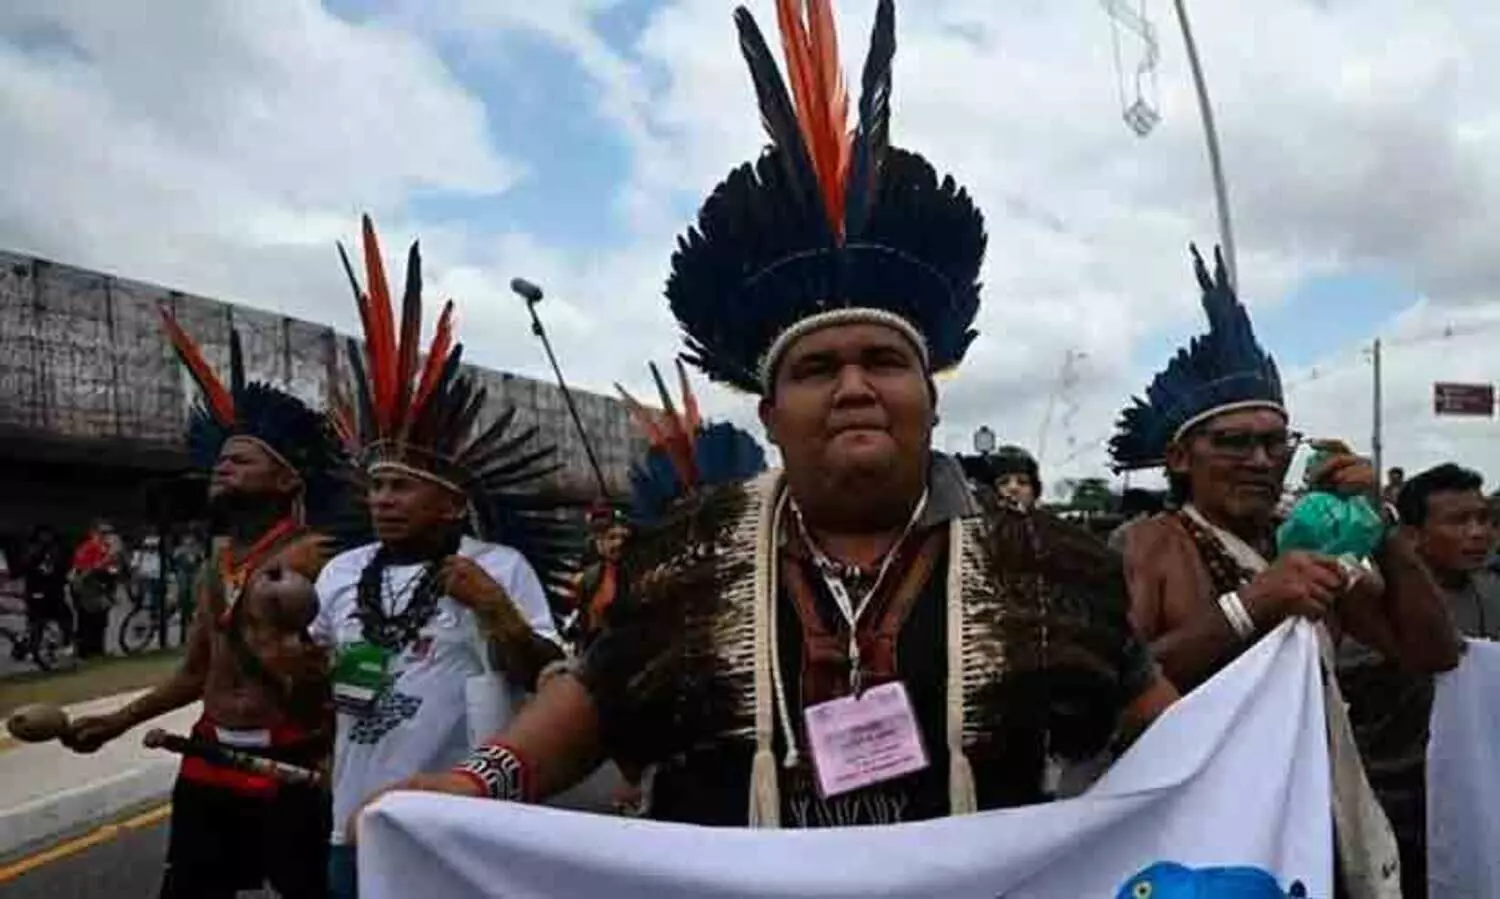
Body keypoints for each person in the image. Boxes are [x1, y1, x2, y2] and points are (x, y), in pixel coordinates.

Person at [352, 0, 1176, 833]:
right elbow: (596, 701)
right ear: (773, 415)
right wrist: (475, 783)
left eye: (885, 361)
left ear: (932, 399)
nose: (855, 384)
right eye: (819, 368)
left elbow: (1155, 719)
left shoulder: (1044, 557)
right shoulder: (683, 551)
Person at [1111, 247, 1461, 898]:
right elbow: (1108, 703)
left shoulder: (1309, 545)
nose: (1260, 459)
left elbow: (1432, 650)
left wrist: (1379, 526)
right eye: (1235, 441)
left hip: (1311, 831)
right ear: (1180, 455)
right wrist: (1251, 605)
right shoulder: (1147, 546)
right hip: (1193, 855)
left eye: (1276, 441)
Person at [314, 217, 570, 899]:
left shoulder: (501, 566)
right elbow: (329, 689)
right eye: (375, 486)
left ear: (452, 504)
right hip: (355, 824)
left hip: (467, 822)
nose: (382, 499)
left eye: (401, 485)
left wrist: (493, 608)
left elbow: (553, 678)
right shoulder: (340, 574)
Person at [62, 312, 352, 899]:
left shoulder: (324, 555)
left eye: (244, 458)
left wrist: (340, 753)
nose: (225, 465)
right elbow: (196, 672)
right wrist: (117, 721)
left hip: (294, 764)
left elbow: (363, 664)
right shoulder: (213, 566)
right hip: (207, 757)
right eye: (222, 458)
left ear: (289, 481)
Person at [1339, 463, 1499, 899]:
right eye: (1458, 521)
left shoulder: (1492, 591)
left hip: (1482, 798)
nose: (1478, 533)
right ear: (1411, 536)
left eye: (1484, 519)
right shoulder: (1373, 599)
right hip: (1400, 803)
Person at [68, 520, 125, 658]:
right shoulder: (88, 547)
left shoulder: (105, 547)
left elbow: (112, 568)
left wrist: (113, 565)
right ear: (93, 533)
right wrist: (108, 560)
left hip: (100, 587)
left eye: (109, 533)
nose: (107, 536)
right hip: (89, 587)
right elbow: (87, 569)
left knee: (99, 621)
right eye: (104, 533)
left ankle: (97, 650)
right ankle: (85, 651)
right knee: (88, 620)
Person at [18, 526, 73, 655]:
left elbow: (58, 570)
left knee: (39, 621)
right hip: (44, 592)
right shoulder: (42, 551)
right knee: (47, 620)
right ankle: (34, 648)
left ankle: (31, 648)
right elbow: (48, 571)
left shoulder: (42, 550)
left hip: (43, 592)